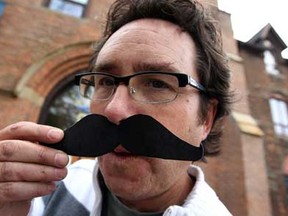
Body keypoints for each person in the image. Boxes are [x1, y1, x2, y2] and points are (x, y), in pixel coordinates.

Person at [0, 0, 233, 215]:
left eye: (157, 83)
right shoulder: (47, 194)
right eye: (107, 82)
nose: (114, 110)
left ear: (206, 119)